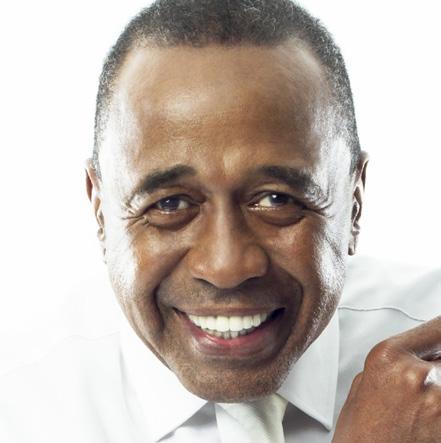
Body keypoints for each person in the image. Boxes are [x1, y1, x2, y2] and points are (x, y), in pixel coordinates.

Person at [0, 1, 440, 442]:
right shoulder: (16, 404)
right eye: (170, 204)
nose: (226, 267)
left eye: (276, 199)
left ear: (355, 203)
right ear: (100, 211)